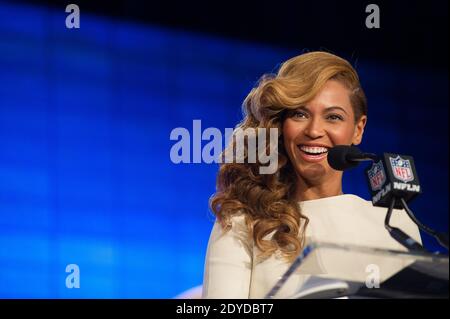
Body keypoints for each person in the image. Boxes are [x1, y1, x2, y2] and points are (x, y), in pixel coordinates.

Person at [202, 51, 422, 299]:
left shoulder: (395, 223)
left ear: (358, 130)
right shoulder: (242, 223)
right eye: (299, 114)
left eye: (333, 117)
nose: (315, 130)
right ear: (281, 126)